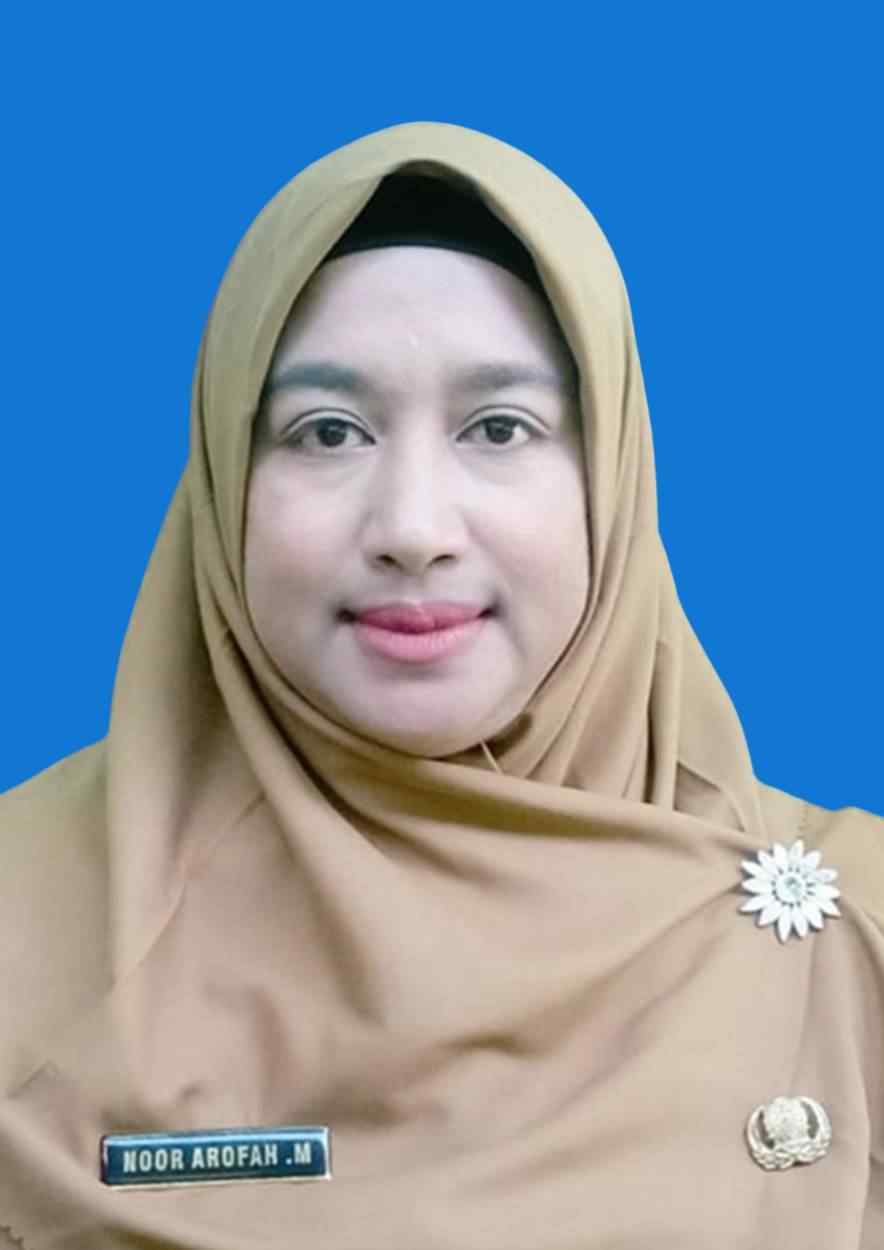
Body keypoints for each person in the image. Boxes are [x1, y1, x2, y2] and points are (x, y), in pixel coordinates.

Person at [1, 121, 882, 1248]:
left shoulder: (853, 944)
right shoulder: (25, 922)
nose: (412, 526)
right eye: (327, 432)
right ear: (224, 479)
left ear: (609, 477)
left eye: (499, 427)